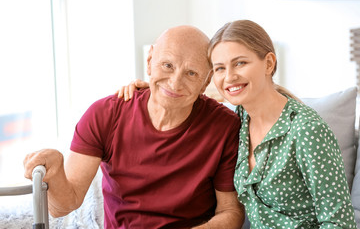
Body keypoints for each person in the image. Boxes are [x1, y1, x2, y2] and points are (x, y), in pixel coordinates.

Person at [120, 20, 357, 228]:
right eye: (220, 68)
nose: (229, 77)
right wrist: (150, 89)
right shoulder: (238, 119)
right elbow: (186, 91)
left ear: (268, 63)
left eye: (240, 63)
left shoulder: (306, 129)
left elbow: (339, 222)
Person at [23, 25, 245, 229]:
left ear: (206, 82)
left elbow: (231, 212)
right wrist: (54, 170)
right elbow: (63, 206)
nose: (175, 82)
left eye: (191, 73)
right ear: (149, 62)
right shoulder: (105, 114)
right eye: (167, 65)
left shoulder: (225, 127)